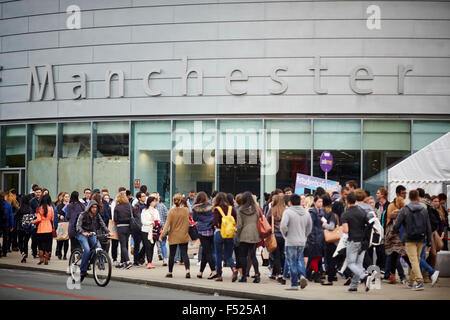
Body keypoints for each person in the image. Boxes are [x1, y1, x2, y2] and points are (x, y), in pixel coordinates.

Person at [392, 190, 432, 291]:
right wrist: (429, 241)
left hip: (409, 238)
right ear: (418, 197)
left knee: (413, 260)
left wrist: (393, 231)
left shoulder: (405, 209)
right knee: (416, 260)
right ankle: (410, 282)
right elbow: (428, 226)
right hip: (421, 238)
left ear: (409, 198)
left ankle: (419, 281)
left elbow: (397, 223)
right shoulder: (424, 209)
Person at [280, 194, 312, 290]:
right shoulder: (306, 213)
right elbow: (309, 227)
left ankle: (294, 284)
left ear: (290, 202)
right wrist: (305, 235)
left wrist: (286, 235)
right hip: (302, 241)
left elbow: (283, 226)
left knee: (292, 262)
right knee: (299, 260)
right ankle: (302, 275)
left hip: (290, 241)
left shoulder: (288, 212)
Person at [341, 192, 371, 292]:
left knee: (350, 263)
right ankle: (354, 285)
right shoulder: (362, 211)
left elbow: (345, 230)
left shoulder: (346, 214)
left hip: (353, 240)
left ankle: (364, 276)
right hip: (363, 241)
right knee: (358, 264)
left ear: (347, 201)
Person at [76, 200, 109, 280]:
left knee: (98, 247)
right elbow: (78, 226)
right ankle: (83, 269)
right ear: (90, 207)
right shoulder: (83, 214)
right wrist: (83, 232)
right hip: (82, 234)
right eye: (93, 207)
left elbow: (102, 224)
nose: (94, 209)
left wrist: (108, 232)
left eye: (96, 207)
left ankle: (91, 262)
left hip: (92, 234)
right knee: (87, 250)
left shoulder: (97, 215)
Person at [159, 193, 191, 278]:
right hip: (184, 235)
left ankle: (170, 272)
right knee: (184, 254)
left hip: (173, 235)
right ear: (182, 201)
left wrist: (161, 235)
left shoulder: (171, 211)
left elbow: (166, 225)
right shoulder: (186, 210)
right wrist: (187, 204)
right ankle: (187, 271)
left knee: (172, 255)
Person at [213, 192, 238, 282]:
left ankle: (219, 275)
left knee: (218, 255)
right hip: (230, 234)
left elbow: (215, 222)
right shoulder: (231, 209)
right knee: (228, 255)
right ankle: (234, 268)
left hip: (219, 233)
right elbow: (236, 220)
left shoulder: (217, 209)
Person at [235, 192, 260, 283]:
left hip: (244, 234)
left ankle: (244, 276)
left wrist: (237, 235)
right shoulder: (256, 208)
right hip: (255, 234)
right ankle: (257, 274)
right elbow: (260, 218)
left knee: (243, 256)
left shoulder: (240, 209)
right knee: (253, 256)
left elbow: (239, 225)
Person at [192, 191, 217, 279]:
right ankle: (200, 272)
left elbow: (194, 219)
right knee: (205, 252)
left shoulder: (195, 208)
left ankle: (213, 271)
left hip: (202, 231)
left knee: (207, 252)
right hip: (211, 230)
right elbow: (213, 217)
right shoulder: (211, 207)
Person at [384, 196, 408, 285]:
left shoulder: (395, 213)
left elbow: (392, 227)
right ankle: (394, 277)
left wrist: (389, 236)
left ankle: (400, 276)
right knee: (395, 258)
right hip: (403, 238)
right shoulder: (406, 213)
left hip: (395, 240)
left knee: (396, 259)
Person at [304, 195, 325, 283]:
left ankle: (309, 273)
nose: (320, 203)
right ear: (315, 202)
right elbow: (311, 226)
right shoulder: (312, 212)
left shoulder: (321, 212)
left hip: (320, 237)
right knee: (315, 257)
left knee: (316, 257)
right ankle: (315, 274)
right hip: (314, 238)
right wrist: (311, 238)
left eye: (321, 202)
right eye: (319, 201)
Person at [267, 194, 286, 283]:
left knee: (276, 256)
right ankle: (274, 273)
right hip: (284, 236)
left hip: (275, 236)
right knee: (281, 254)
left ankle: (279, 274)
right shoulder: (285, 211)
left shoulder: (272, 210)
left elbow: (267, 222)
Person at [321, 193, 339, 285]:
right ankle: (332, 277)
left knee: (330, 260)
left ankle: (330, 279)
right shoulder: (330, 212)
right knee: (331, 259)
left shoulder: (329, 213)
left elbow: (331, 226)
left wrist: (324, 225)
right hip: (330, 240)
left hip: (329, 240)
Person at [113, 192, 134, 269]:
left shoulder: (117, 207)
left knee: (123, 245)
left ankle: (128, 261)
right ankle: (122, 262)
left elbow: (115, 219)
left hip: (120, 227)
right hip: (128, 227)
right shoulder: (129, 206)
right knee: (125, 244)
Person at [33, 194, 54, 265]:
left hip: (40, 229)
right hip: (49, 228)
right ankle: (46, 260)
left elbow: (38, 219)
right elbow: (52, 218)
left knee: (40, 245)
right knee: (48, 245)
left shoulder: (39, 208)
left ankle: (41, 259)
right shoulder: (51, 208)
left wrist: (33, 222)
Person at [141, 196, 160, 269]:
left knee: (152, 246)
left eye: (155, 201)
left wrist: (156, 223)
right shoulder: (144, 211)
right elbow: (143, 221)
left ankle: (150, 261)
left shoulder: (156, 211)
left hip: (154, 231)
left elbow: (158, 219)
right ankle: (148, 262)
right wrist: (151, 222)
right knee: (148, 246)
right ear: (150, 202)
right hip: (146, 230)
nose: (155, 203)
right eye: (153, 201)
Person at [16, 194, 34, 263]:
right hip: (28, 228)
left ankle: (22, 253)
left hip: (20, 227)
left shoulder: (20, 209)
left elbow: (16, 217)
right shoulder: (30, 209)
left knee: (20, 242)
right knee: (26, 242)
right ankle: (25, 254)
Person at [153, 192, 169, 266]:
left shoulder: (151, 207)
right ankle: (165, 259)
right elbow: (167, 216)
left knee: (152, 244)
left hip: (153, 228)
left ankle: (149, 260)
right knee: (163, 244)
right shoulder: (163, 206)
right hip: (162, 228)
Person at [55, 192, 70, 260]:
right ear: (63, 197)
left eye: (68, 197)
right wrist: (59, 216)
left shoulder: (70, 205)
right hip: (61, 224)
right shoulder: (59, 205)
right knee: (60, 239)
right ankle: (59, 253)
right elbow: (56, 214)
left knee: (66, 240)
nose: (67, 198)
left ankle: (65, 255)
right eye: (66, 197)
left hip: (68, 224)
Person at [0, 191, 14, 258]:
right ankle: (4, 252)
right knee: (5, 238)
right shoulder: (8, 204)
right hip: (6, 224)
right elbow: (11, 215)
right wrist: (12, 225)